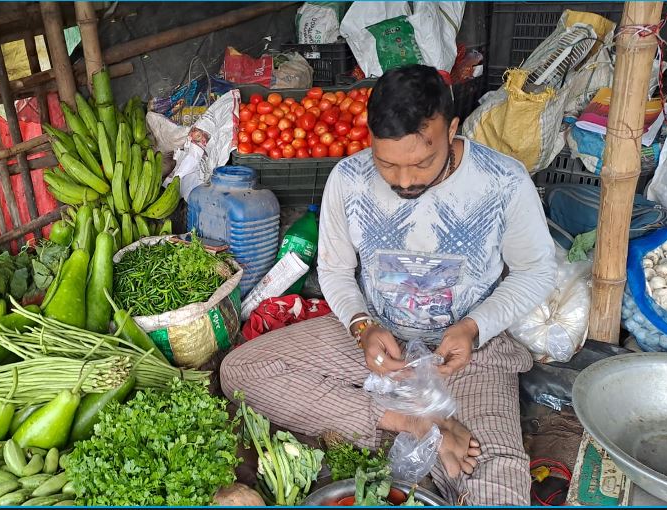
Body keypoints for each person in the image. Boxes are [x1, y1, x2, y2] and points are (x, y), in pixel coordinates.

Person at [220, 65, 557, 506]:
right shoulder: (348, 178)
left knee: (499, 483)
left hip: (467, 355)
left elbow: (536, 271)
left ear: (452, 129)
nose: (403, 181)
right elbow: (337, 272)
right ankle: (411, 423)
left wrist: (474, 327)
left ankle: (425, 433)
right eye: (386, 163)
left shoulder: (503, 182)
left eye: (421, 162)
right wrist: (362, 327)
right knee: (241, 371)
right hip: (381, 346)